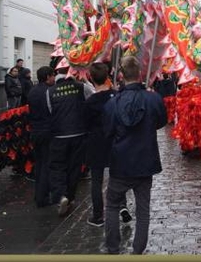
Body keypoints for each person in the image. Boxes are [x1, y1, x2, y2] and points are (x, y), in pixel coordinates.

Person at [103, 56, 167, 254]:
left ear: (121, 75)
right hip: (144, 162)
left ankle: (113, 248)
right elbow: (161, 121)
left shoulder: (112, 103)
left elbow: (108, 131)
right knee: (143, 209)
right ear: (139, 73)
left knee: (112, 205)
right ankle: (137, 251)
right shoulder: (153, 98)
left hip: (121, 163)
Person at [83, 63, 131, 227]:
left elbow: (86, 124)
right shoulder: (117, 96)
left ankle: (98, 216)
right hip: (115, 141)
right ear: (108, 76)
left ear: (91, 78)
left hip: (96, 142)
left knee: (96, 181)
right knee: (117, 176)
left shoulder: (90, 102)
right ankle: (122, 206)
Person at [47, 67, 88, 217]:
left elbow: (51, 111)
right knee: (74, 167)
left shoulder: (50, 91)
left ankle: (60, 196)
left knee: (57, 167)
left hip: (59, 135)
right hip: (79, 133)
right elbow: (92, 98)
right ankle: (70, 197)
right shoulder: (81, 87)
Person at [27, 66, 56, 207]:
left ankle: (38, 194)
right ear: (47, 77)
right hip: (47, 131)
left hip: (35, 131)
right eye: (53, 76)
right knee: (46, 164)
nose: (54, 78)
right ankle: (43, 198)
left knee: (39, 163)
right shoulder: (49, 91)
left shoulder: (33, 91)